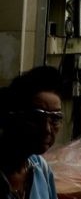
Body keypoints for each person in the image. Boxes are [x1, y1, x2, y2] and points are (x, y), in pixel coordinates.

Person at [0, 66, 63, 199]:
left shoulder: (40, 168)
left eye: (55, 119)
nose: (47, 129)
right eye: (36, 118)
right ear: (10, 117)